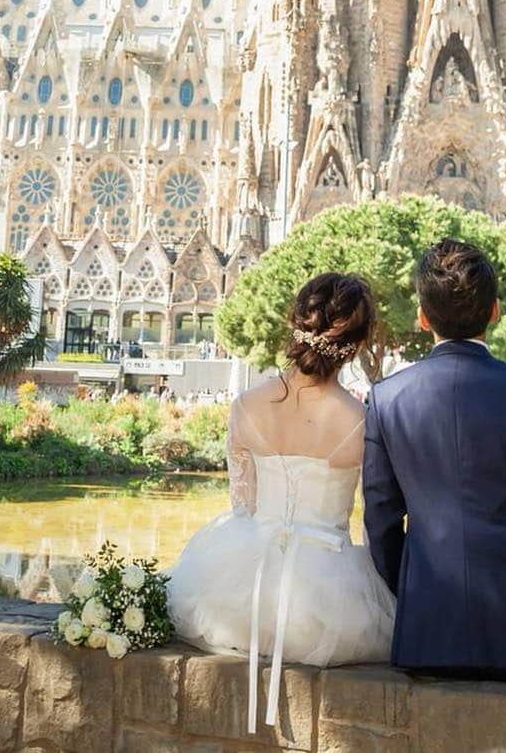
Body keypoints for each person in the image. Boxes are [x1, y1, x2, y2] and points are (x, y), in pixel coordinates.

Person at [363, 237, 506, 681]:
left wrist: (413, 593)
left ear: (421, 316)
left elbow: (381, 521)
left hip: (428, 626)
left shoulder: (385, 399)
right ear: (494, 311)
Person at [168, 273, 394, 733]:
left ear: (296, 323)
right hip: (329, 600)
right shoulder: (361, 419)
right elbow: (374, 519)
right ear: (353, 345)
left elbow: (243, 504)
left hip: (242, 588)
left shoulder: (246, 404)